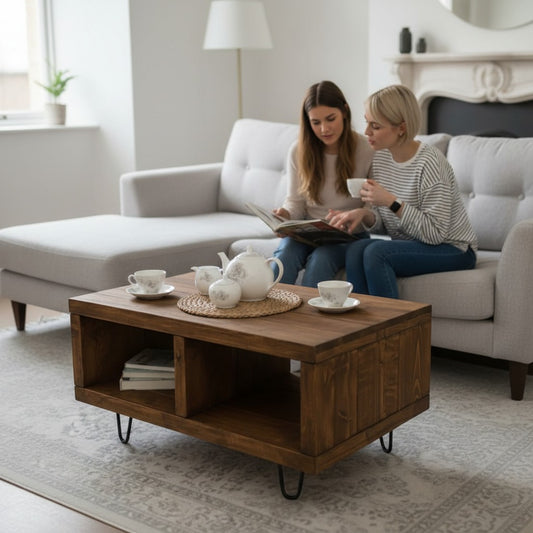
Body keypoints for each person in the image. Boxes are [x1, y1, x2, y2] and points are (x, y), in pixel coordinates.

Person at [326, 84, 478, 299]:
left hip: (453, 249)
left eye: (375, 126)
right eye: (367, 122)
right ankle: (361, 327)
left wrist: (391, 201)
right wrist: (365, 214)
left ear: (401, 128)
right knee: (355, 249)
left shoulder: (431, 163)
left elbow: (435, 234)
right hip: (412, 244)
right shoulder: (381, 158)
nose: (367, 132)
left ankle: (391, 330)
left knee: (376, 253)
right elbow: (387, 224)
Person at [272, 80, 373, 287]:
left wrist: (354, 218)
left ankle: (308, 320)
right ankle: (269, 314)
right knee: (284, 255)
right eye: (316, 122)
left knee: (321, 259)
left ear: (344, 111)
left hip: (349, 236)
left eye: (330, 119)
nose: (324, 129)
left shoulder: (366, 149)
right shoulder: (298, 151)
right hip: (308, 233)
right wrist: (285, 216)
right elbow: (296, 202)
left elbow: (373, 208)